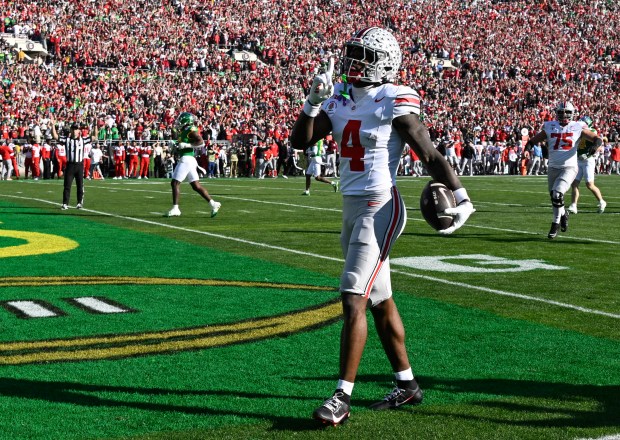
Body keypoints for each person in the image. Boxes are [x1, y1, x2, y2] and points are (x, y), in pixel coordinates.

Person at [290, 27, 475, 426]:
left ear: (384, 63)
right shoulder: (339, 97)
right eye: (351, 53)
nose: (352, 61)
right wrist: (311, 102)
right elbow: (301, 142)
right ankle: (407, 386)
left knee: (353, 295)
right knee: (379, 300)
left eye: (362, 55)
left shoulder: (394, 97)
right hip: (351, 207)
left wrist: (460, 196)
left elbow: (427, 150)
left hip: (381, 207)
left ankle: (341, 396)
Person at [526, 102, 603, 239]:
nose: (564, 115)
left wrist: (595, 146)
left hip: (569, 166)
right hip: (553, 167)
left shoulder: (578, 126)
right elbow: (534, 139)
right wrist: (528, 148)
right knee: (554, 197)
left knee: (557, 194)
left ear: (572, 113)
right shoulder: (550, 125)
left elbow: (597, 138)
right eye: (561, 112)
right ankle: (563, 214)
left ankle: (554, 224)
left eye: (566, 112)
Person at [166, 112, 221, 218]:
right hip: (188, 159)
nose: (179, 122)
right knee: (196, 186)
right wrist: (175, 144)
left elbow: (201, 142)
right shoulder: (183, 131)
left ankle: (176, 208)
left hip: (187, 159)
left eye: (181, 120)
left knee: (175, 183)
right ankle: (213, 204)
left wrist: (186, 144)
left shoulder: (190, 129)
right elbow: (181, 146)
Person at [51, 115, 93, 210]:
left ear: (79, 131)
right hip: (70, 165)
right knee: (67, 185)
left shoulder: (83, 140)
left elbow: (94, 137)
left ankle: (79, 203)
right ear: (70, 130)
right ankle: (65, 203)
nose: (75, 131)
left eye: (76, 129)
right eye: (73, 129)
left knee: (80, 185)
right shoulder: (67, 140)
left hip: (79, 165)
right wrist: (53, 125)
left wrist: (95, 126)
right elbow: (55, 136)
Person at [567, 116, 606, 214]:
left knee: (589, 185)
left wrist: (588, 154)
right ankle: (573, 205)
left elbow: (599, 146)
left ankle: (602, 201)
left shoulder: (592, 131)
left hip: (588, 160)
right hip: (578, 160)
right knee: (574, 183)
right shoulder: (577, 131)